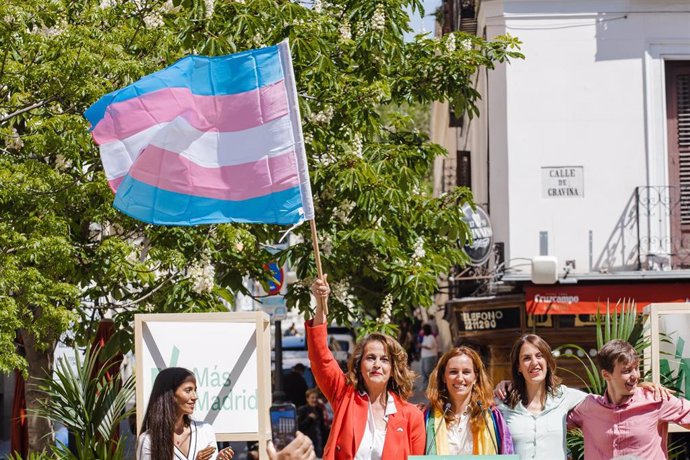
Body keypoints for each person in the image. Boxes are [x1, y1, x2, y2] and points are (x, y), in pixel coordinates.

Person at [497, 334, 674, 460]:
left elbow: (608, 400)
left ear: (548, 361)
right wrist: (500, 386)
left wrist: (639, 387)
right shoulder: (502, 403)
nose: (534, 363)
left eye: (539, 356)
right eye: (526, 358)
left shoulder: (565, 397)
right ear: (518, 366)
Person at [307, 276, 425, 459]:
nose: (377, 364)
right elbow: (321, 357)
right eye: (371, 358)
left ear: (394, 369)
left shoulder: (412, 416)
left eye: (385, 360)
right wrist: (321, 304)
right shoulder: (344, 396)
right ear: (359, 365)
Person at [567, 339, 690, 460]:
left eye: (636, 368)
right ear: (606, 375)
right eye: (627, 371)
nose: (636, 376)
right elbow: (552, 424)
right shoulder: (588, 407)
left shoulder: (657, 399)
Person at [425, 346, 514, 455]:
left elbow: (507, 452)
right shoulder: (428, 418)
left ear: (475, 377)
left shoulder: (492, 416)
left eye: (466, 372)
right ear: (444, 377)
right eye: (453, 372)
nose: (460, 378)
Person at [137, 367, 234, 460]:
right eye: (188, 390)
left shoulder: (205, 431)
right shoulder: (148, 440)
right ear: (170, 394)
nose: (195, 396)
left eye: (195, 390)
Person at [297, 388, 327, 457]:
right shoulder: (302, 410)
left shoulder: (319, 410)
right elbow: (299, 427)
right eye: (312, 398)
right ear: (307, 399)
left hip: (319, 444)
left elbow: (322, 428)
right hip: (308, 444)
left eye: (316, 398)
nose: (314, 400)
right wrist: (309, 418)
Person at [419, 324, 438, 389]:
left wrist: (421, 346)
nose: (422, 331)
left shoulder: (431, 337)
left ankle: (434, 384)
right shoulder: (425, 337)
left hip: (430, 356)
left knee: (428, 371)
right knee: (423, 371)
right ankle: (426, 385)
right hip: (424, 356)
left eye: (423, 329)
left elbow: (430, 346)